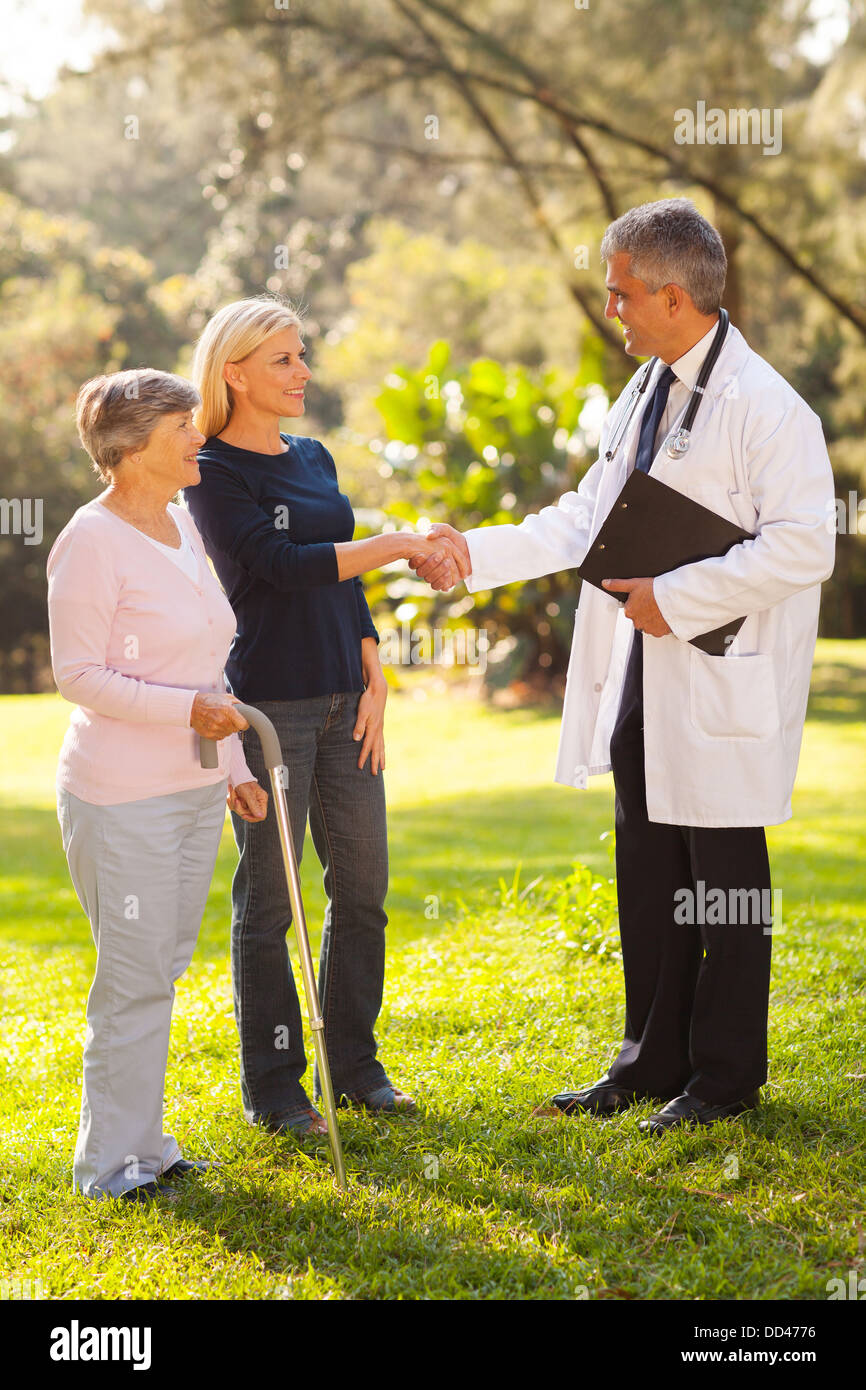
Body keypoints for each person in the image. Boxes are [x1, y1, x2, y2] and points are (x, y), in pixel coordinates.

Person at [413, 198, 835, 1132]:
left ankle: (723, 1081)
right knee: (648, 867)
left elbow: (808, 548)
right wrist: (470, 551)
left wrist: (676, 601)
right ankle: (649, 1066)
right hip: (647, 673)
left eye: (622, 293)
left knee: (722, 880)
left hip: (719, 670)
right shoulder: (644, 390)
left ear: (674, 297)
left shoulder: (768, 408)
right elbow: (583, 520)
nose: (613, 310)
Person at [184, 296, 451, 1137]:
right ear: (234, 373)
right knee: (271, 902)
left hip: (345, 697)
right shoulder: (212, 470)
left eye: (303, 357)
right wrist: (404, 540)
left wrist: (372, 659)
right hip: (268, 705)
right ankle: (274, 1085)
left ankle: (353, 1066)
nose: (304, 373)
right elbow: (279, 563)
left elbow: (341, 578)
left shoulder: (316, 455)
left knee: (362, 889)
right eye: (284, 361)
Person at [48, 368, 269, 1202]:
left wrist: (236, 770)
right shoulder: (90, 539)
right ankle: (111, 1168)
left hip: (190, 789)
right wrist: (191, 713)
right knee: (133, 975)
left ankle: (148, 1144)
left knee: (161, 966)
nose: (197, 438)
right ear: (134, 446)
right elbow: (79, 675)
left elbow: (209, 668)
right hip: (120, 797)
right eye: (181, 427)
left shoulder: (179, 522)